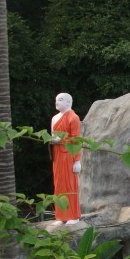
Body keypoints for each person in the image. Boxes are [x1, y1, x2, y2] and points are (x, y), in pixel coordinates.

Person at [50, 93, 81, 225]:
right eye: (56, 100)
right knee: (58, 184)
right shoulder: (55, 118)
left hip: (69, 154)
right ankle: (60, 215)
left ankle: (73, 215)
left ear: (69, 102)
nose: (57, 102)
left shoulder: (73, 118)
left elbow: (76, 140)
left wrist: (77, 160)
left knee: (69, 184)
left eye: (60, 100)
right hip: (57, 154)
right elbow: (52, 135)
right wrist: (52, 140)